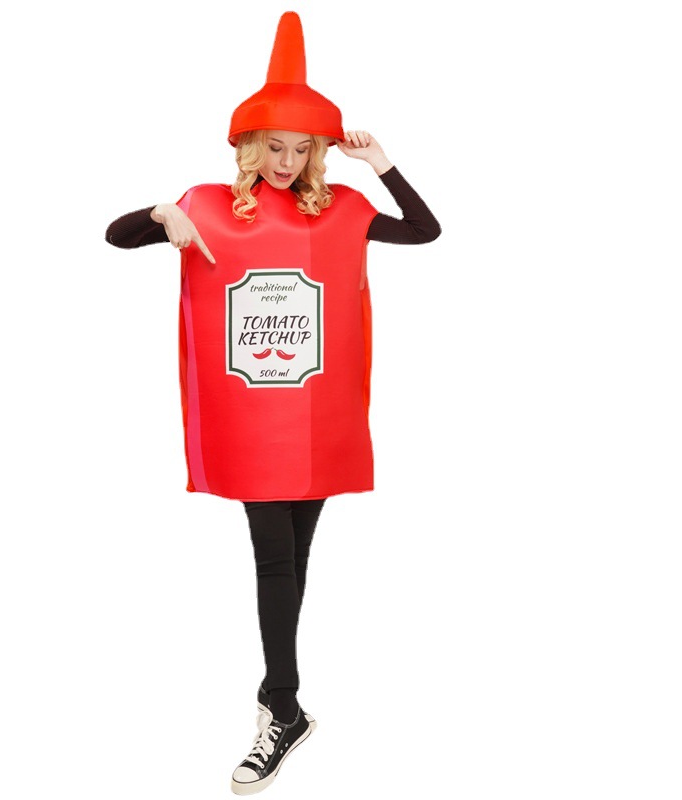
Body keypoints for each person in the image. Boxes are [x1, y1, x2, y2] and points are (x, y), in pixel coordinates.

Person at [104, 12, 440, 796]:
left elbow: (425, 230)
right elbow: (116, 237)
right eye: (275, 147)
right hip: (253, 427)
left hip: (320, 419)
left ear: (318, 153)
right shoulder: (206, 205)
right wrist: (160, 214)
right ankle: (282, 708)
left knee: (293, 559)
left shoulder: (338, 209)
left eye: (302, 149)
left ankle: (280, 701)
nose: (288, 163)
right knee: (274, 558)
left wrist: (382, 163)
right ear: (249, 148)